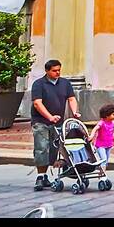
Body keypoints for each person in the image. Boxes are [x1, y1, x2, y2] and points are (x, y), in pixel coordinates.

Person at [31, 59, 78, 192]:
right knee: (41, 148)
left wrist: (74, 111)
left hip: (58, 122)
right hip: (40, 122)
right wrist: (49, 117)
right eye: (54, 71)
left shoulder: (65, 83)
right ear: (47, 71)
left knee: (53, 149)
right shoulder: (39, 84)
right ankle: (40, 177)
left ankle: (46, 175)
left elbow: (71, 98)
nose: (57, 73)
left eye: (59, 70)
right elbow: (37, 103)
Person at [91, 102, 114, 171]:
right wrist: (91, 136)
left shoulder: (111, 123)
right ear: (107, 116)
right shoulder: (102, 123)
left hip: (109, 145)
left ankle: (102, 174)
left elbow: (111, 133)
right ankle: (102, 177)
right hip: (100, 145)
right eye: (113, 114)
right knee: (103, 160)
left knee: (106, 161)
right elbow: (95, 128)